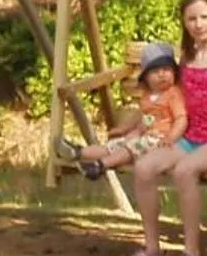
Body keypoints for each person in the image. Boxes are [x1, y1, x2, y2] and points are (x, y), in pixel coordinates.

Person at [125, 0, 207, 256]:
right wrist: (140, 130)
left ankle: (191, 255)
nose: (198, 24)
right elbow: (165, 103)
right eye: (192, 19)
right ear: (184, 22)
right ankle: (152, 248)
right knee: (143, 168)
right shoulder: (185, 60)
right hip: (189, 138)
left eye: (205, 17)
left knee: (184, 171)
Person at [75, 42, 187, 180]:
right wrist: (123, 129)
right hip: (143, 138)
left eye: (166, 69)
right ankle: (78, 152)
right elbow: (139, 116)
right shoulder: (147, 96)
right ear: (146, 78)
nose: (161, 74)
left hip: (160, 141)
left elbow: (181, 119)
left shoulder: (173, 94)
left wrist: (171, 138)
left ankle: (100, 165)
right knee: (114, 145)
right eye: (155, 71)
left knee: (129, 148)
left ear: (175, 73)